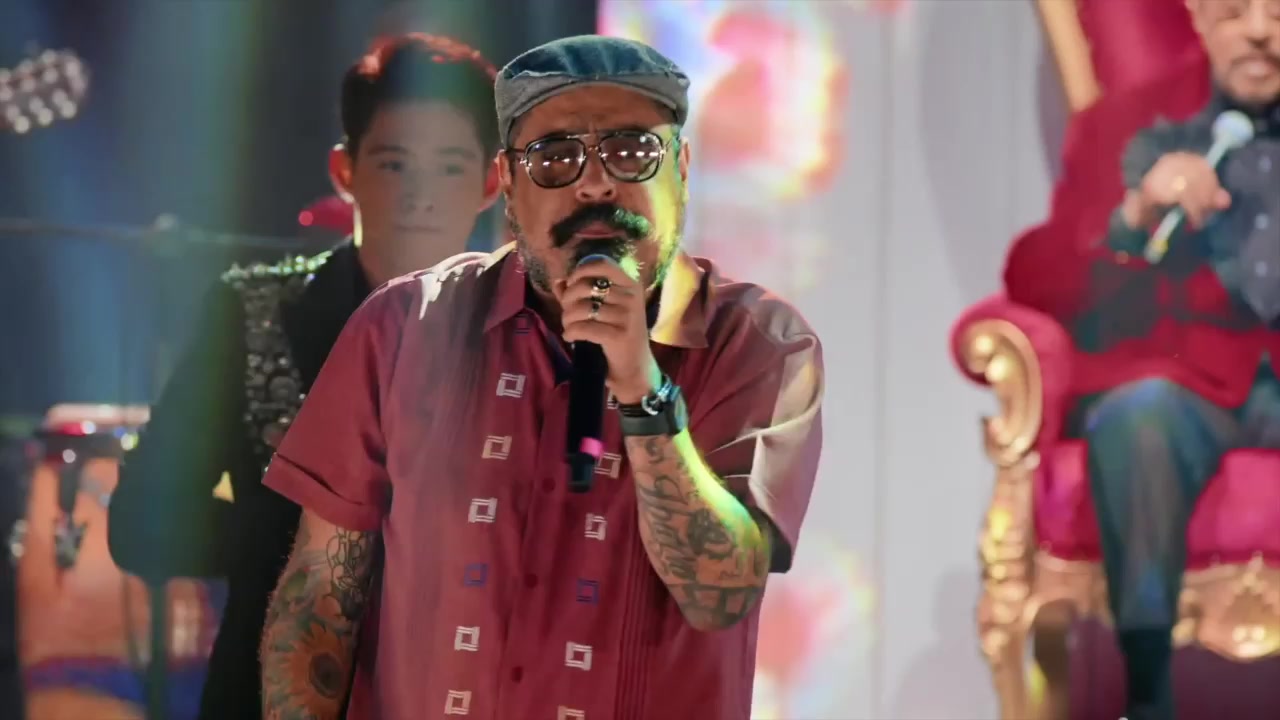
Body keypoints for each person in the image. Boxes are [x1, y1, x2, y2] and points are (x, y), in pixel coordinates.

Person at [257, 34, 825, 720]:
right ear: (508, 184)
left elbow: (719, 594)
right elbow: (320, 599)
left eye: (630, 151)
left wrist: (641, 388)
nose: (595, 184)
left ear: (680, 166)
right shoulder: (404, 328)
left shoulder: (759, 345)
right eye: (554, 157)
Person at [108, 33, 500, 720]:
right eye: (394, 163)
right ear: (345, 170)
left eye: (449, 167)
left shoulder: (522, 329)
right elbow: (143, 521)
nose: (421, 195)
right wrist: (310, 539)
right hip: (270, 687)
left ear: (493, 183)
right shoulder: (252, 312)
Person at [1003, 1, 1279, 716]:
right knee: (1140, 414)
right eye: (1236, 10)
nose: (1259, 30)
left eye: (1278, 12)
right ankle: (1148, 689)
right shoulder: (1127, 124)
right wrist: (1135, 215)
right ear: (1199, 17)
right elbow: (1034, 277)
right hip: (1189, 382)